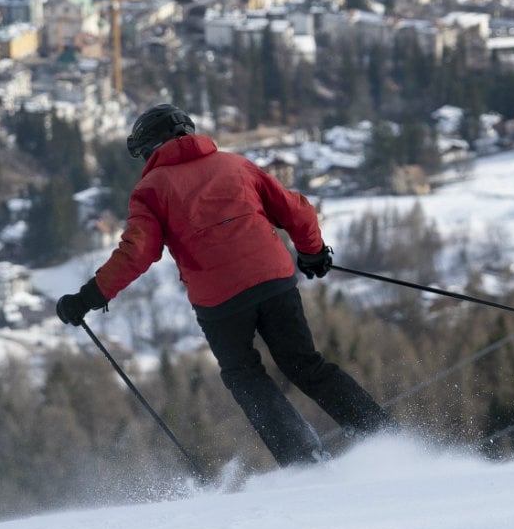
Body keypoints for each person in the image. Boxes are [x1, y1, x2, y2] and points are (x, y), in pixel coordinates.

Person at [55, 104, 394, 467]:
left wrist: (88, 297)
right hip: (273, 280)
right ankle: (381, 436)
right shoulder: (235, 165)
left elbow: (137, 251)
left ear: (151, 148)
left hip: (220, 301)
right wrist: (312, 252)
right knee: (305, 365)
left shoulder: (150, 189)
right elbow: (296, 212)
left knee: (245, 376)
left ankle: (303, 459)